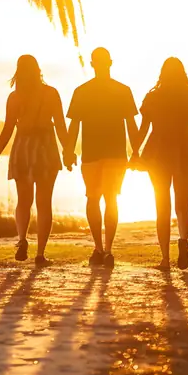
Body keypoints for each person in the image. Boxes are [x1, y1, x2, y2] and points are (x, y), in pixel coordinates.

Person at [132, 58, 188, 270]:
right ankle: (183, 240)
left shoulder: (153, 97)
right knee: (183, 205)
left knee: (162, 207)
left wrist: (134, 152)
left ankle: (165, 259)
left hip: (158, 152)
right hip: (185, 150)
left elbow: (144, 128)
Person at [0, 55, 69, 266]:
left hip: (23, 147)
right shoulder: (51, 93)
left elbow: (8, 129)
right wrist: (69, 151)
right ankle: (40, 254)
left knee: (23, 201)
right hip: (46, 148)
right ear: (38, 70)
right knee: (44, 203)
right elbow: (61, 125)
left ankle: (22, 239)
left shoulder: (15, 97)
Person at [65, 48, 139, 269]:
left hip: (92, 154)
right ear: (111, 63)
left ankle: (98, 248)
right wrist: (136, 152)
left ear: (92, 63)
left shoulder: (82, 91)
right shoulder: (122, 90)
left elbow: (74, 125)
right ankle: (107, 249)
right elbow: (131, 126)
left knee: (93, 198)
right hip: (116, 154)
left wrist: (68, 151)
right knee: (111, 199)